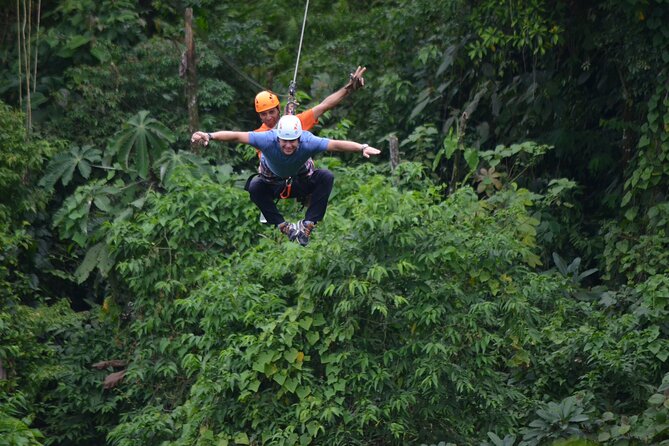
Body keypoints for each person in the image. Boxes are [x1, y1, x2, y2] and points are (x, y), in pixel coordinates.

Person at [191, 114, 381, 246]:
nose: (288, 146)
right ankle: (285, 227)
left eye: (293, 141)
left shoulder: (308, 141)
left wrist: (361, 147)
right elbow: (236, 136)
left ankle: (308, 225)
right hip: (272, 184)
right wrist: (209, 136)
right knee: (254, 186)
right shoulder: (267, 139)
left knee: (326, 176)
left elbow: (335, 144)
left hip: (300, 183)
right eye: (284, 141)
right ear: (278, 138)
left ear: (300, 138)